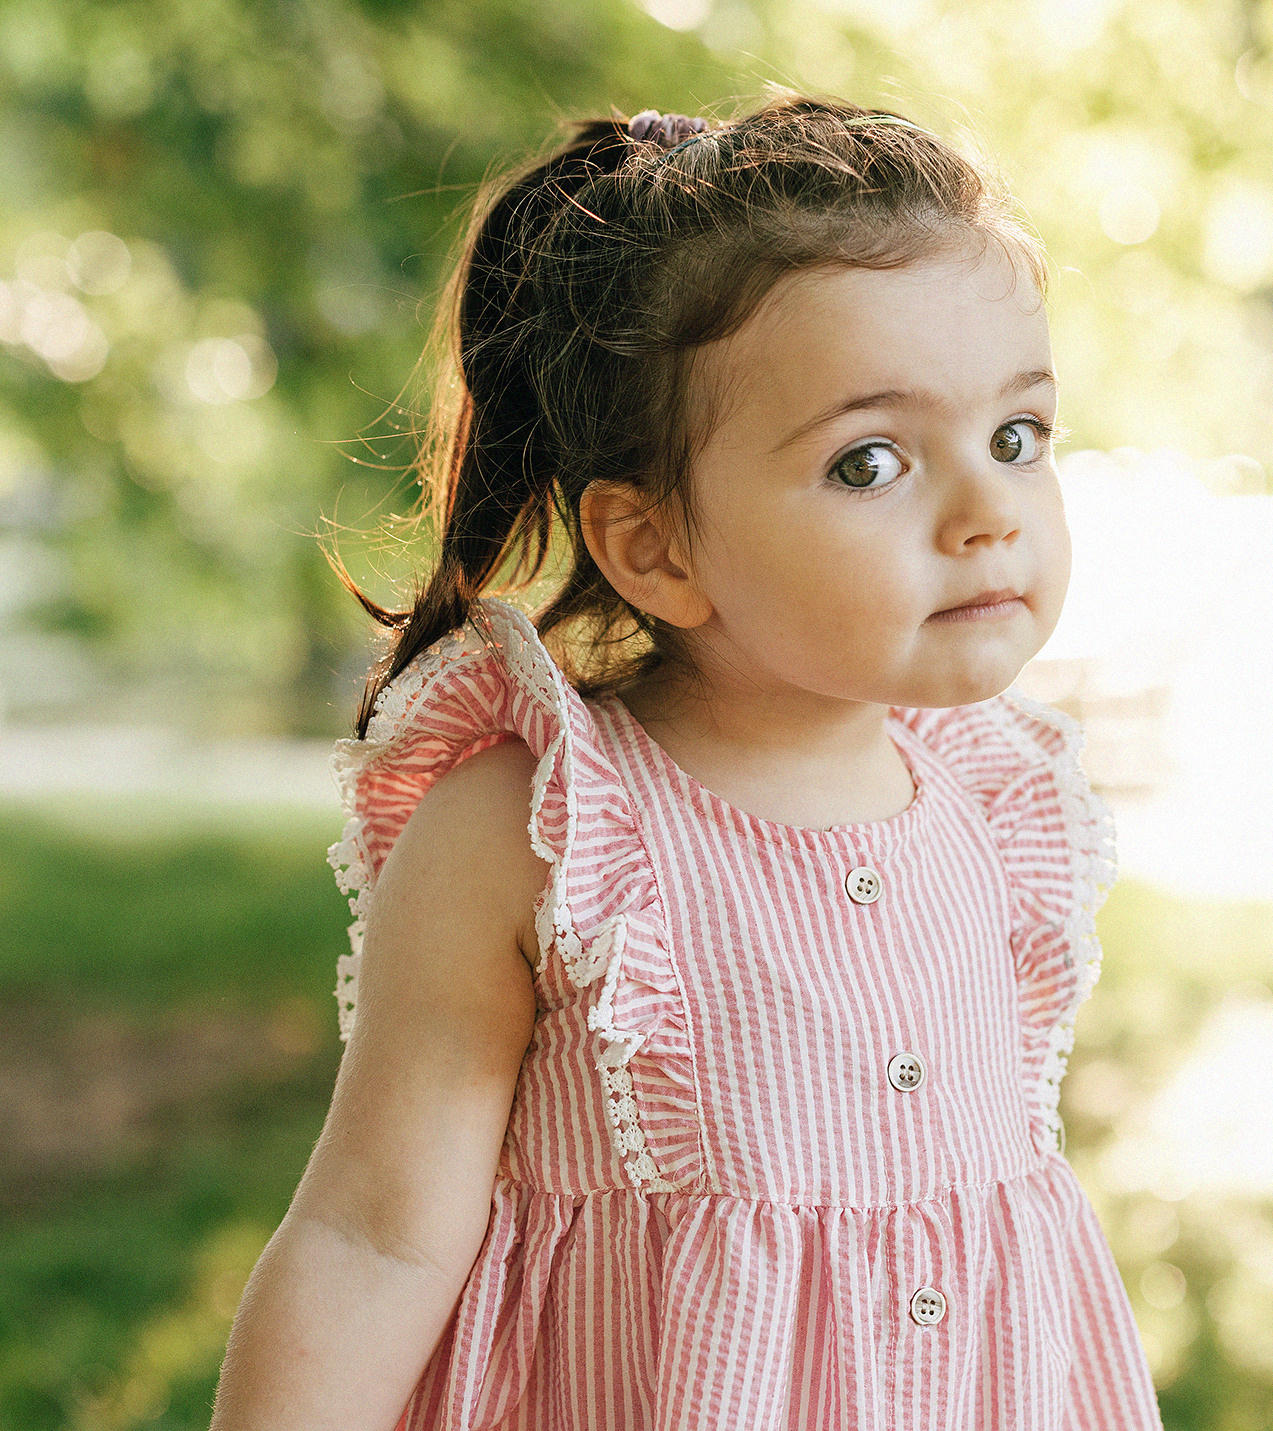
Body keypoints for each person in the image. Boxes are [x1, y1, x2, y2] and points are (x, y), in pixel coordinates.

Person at [208, 92, 1163, 1430]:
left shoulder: (998, 807)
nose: (987, 513)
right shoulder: (540, 833)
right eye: (870, 462)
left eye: (1017, 437)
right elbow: (374, 1238)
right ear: (654, 547)